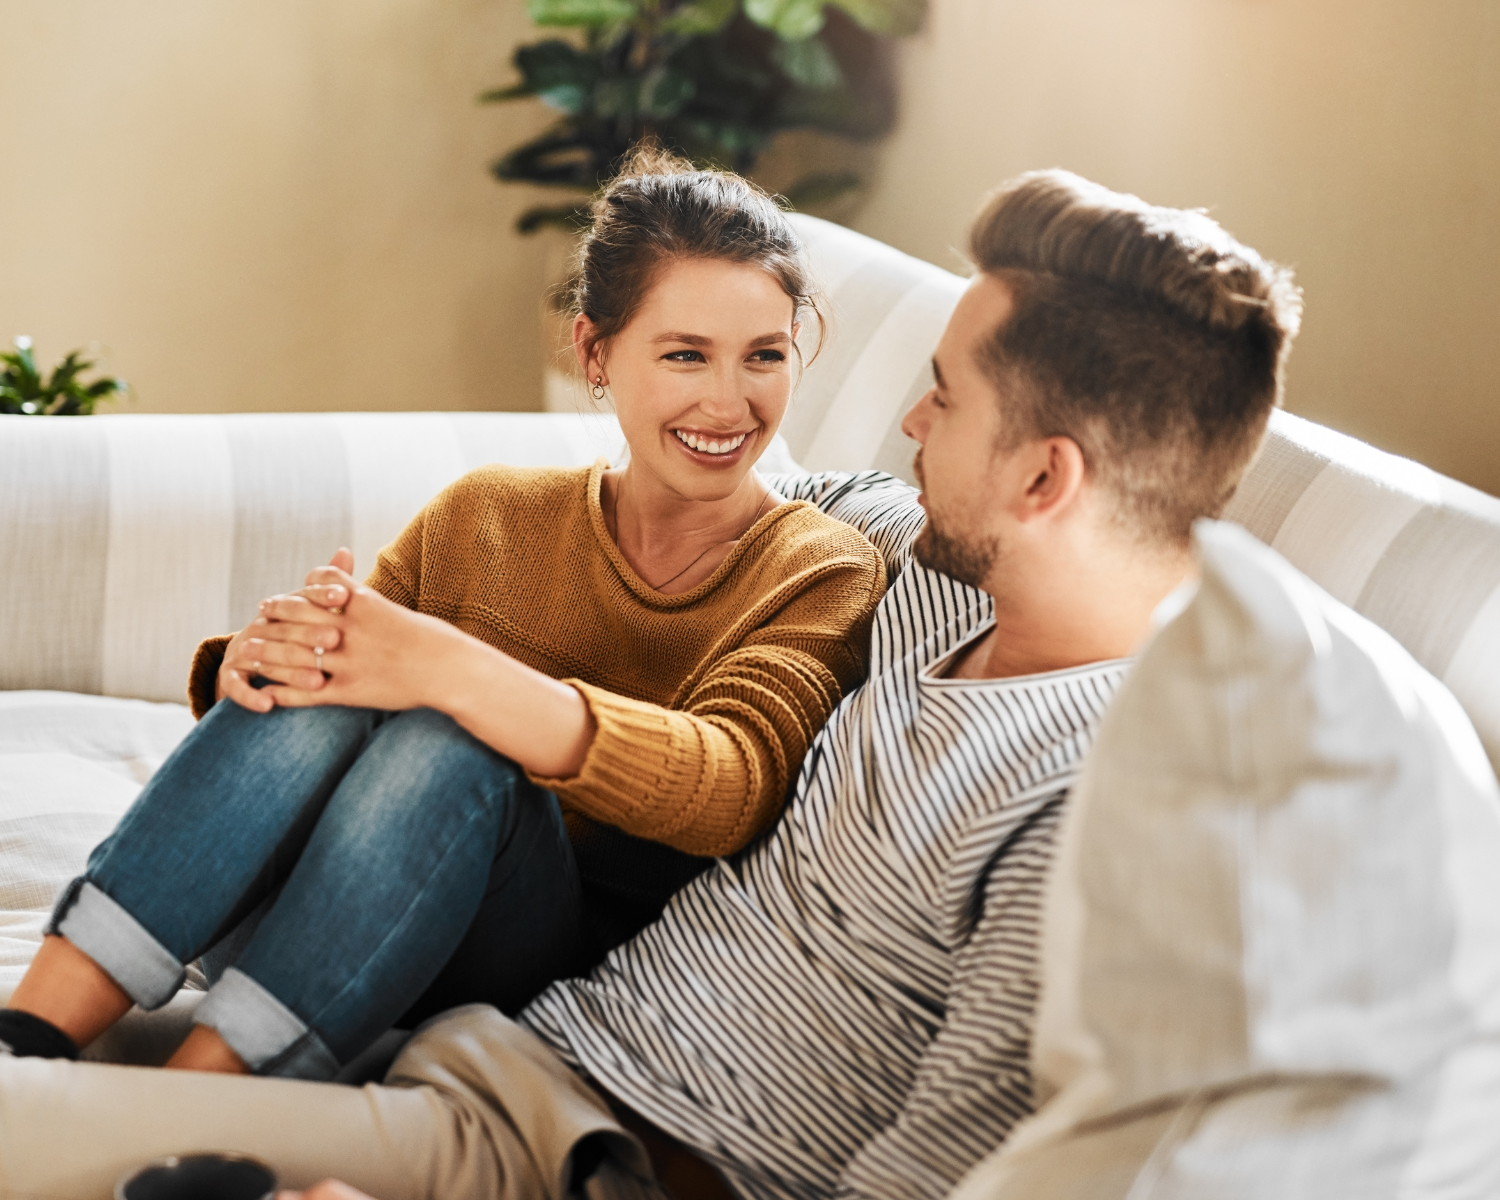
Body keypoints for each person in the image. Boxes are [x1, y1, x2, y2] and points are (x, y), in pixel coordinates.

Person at [0, 168, 1301, 1200]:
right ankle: (60, 1030)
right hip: (506, 1047)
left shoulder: (1100, 809)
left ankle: (177, 1087)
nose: (906, 429)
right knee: (384, 673)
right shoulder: (917, 571)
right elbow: (704, 486)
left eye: (944, 404)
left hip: (575, 1143)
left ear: (1045, 480)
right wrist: (286, 648)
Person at [0, 150, 886, 1082]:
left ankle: (194, 1101)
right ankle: (28, 1040)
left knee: (452, 742)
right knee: (346, 660)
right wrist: (259, 663)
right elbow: (341, 695)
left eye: (764, 357)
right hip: (291, 921)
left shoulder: (817, 568)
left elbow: (730, 788)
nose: (728, 400)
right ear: (595, 353)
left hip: (518, 959)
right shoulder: (486, 512)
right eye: (684, 355)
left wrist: (453, 674)